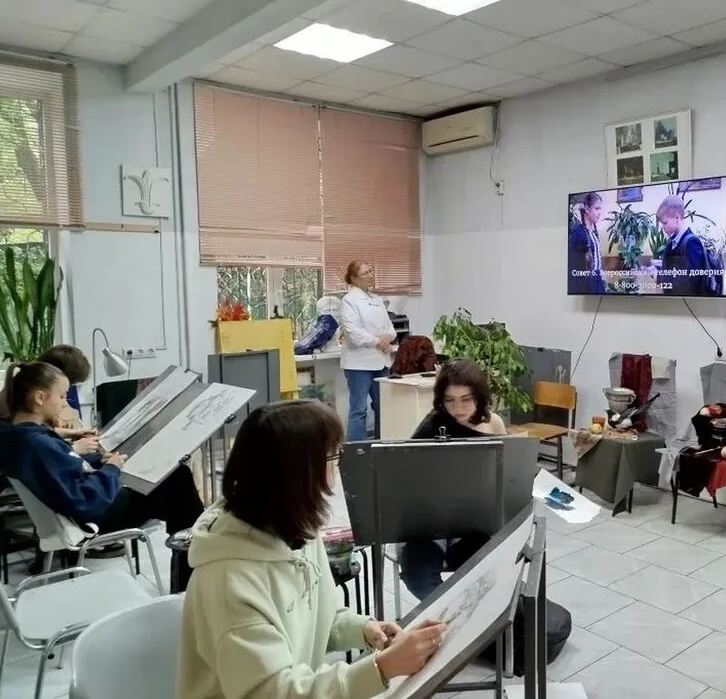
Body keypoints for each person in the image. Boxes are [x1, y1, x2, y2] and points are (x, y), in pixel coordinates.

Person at [177, 400, 447, 699]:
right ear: (296, 475)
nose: (337, 468)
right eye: (332, 456)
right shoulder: (229, 582)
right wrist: (381, 668)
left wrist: (363, 628)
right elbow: (270, 692)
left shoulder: (295, 529)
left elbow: (320, 616)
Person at [0, 361, 203, 589]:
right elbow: (87, 500)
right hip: (93, 514)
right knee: (178, 481)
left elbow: (65, 465)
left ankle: (190, 556)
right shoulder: (37, 444)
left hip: (76, 507)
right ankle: (189, 572)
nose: (64, 403)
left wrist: (101, 461)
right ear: (40, 398)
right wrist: (112, 469)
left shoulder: (7, 433)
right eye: (62, 396)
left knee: (175, 490)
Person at [400, 359, 506, 600]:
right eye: (449, 400)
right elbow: (406, 473)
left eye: (466, 399)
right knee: (418, 576)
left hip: (475, 521)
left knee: (491, 573)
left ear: (479, 396)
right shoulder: (432, 426)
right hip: (431, 521)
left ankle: (480, 614)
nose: (457, 408)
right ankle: (450, 615)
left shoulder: (493, 424)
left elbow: (506, 473)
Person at [339, 261, 396, 442]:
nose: (370, 275)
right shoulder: (349, 300)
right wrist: (379, 342)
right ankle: (358, 451)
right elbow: (354, 333)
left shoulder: (377, 299)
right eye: (365, 273)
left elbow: (391, 328)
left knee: (383, 407)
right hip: (359, 364)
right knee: (359, 409)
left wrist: (388, 337)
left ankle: (382, 445)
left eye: (371, 271)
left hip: (381, 361)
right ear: (354, 278)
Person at [0, 344, 93, 433]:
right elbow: (27, 436)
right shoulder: (22, 395)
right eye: (61, 395)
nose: (64, 402)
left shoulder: (20, 384)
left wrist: (68, 432)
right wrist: (75, 447)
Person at [656, 194, 710, 297]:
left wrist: (659, 277)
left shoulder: (692, 243)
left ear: (677, 217)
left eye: (665, 223)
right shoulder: (670, 243)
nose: (663, 227)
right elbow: (671, 273)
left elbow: (691, 283)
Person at [567, 192, 605, 295]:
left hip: (597, 281)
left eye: (600, 209)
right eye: (597, 208)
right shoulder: (578, 234)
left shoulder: (593, 232)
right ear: (587, 209)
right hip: (587, 285)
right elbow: (575, 269)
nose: (600, 212)